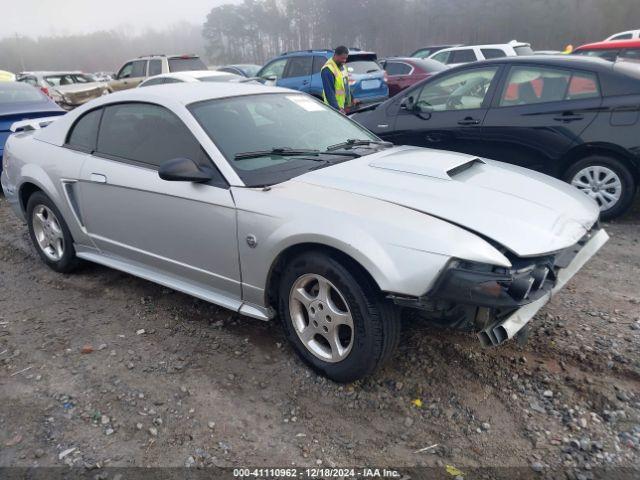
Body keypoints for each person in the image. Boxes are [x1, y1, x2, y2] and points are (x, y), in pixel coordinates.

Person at [321, 46, 358, 114]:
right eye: (342, 58)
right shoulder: (328, 69)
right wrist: (337, 109)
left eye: (346, 58)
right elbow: (329, 93)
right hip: (334, 110)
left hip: (344, 107)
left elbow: (346, 86)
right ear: (336, 55)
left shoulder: (342, 66)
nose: (344, 60)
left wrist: (352, 99)